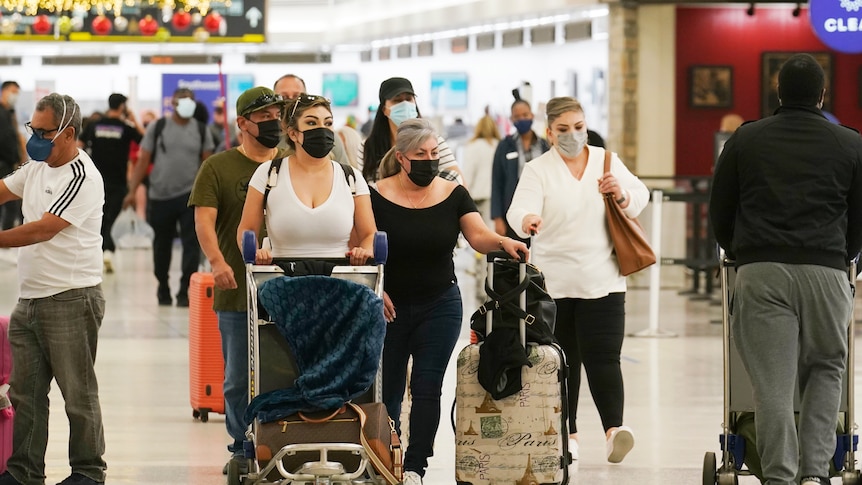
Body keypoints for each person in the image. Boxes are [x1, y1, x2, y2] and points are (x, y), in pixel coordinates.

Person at [709, 54, 862, 485]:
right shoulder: (851, 143)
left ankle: (779, 476)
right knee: (826, 371)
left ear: (777, 92)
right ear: (822, 95)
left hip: (761, 272)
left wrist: (741, 250)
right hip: (827, 273)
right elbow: (861, 216)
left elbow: (720, 210)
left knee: (772, 384)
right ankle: (815, 474)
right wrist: (841, 256)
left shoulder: (745, 139)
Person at [371, 118, 528, 485]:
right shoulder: (374, 194)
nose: (428, 160)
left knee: (428, 386)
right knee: (389, 387)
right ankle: (388, 456)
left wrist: (503, 242)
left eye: (432, 153)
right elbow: (362, 247)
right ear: (401, 157)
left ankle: (415, 466)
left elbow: (477, 235)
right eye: (419, 154)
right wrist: (376, 290)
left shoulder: (453, 193)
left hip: (439, 303)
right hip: (389, 306)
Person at [506, 96, 649, 464]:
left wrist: (620, 191)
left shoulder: (606, 160)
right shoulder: (539, 169)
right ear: (550, 133)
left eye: (579, 127)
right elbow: (517, 209)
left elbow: (639, 198)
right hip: (554, 285)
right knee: (561, 362)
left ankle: (614, 430)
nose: (573, 135)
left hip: (604, 279)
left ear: (587, 126)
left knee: (605, 358)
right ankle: (567, 434)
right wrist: (526, 221)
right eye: (564, 130)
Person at [0, 93, 107, 485]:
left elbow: (43, 229)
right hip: (29, 299)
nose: (36, 139)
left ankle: (88, 472)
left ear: (69, 134)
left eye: (44, 132)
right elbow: (4, 189)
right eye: (33, 129)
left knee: (78, 395)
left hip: (72, 298)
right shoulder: (37, 167)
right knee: (25, 393)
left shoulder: (82, 176)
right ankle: (24, 472)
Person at [188, 86, 287, 475]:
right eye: (264, 118)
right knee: (237, 379)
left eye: (277, 116)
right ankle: (242, 445)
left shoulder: (292, 165)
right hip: (236, 290)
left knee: (284, 371)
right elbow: (204, 221)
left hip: (287, 287)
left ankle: (281, 441)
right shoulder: (218, 167)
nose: (273, 124)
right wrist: (216, 261)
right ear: (242, 123)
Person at [236, 93, 376, 266]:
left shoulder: (352, 178)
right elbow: (247, 229)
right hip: (281, 282)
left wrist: (365, 251)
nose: (322, 129)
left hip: (340, 284)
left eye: (328, 123)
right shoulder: (268, 174)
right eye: (311, 122)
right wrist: (255, 253)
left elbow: (369, 234)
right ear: (293, 134)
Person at [123, 87, 215, 307]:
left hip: (190, 196)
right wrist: (132, 190)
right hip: (160, 195)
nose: (186, 104)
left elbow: (207, 164)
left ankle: (185, 291)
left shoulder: (202, 131)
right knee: (161, 245)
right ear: (172, 103)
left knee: (191, 245)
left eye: (190, 100)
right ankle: (162, 286)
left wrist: (211, 195)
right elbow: (143, 159)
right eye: (182, 100)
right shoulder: (158, 126)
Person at [78, 92, 144, 273]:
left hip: (95, 181)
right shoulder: (126, 127)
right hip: (118, 182)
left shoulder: (94, 125)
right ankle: (108, 251)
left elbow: (79, 146)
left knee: (98, 218)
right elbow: (145, 141)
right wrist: (133, 119)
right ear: (122, 106)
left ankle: (99, 253)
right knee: (111, 218)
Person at [360, 77, 463, 184]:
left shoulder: (434, 142)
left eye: (409, 99)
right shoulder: (368, 147)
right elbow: (364, 189)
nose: (404, 105)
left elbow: (459, 181)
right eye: (397, 100)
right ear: (384, 109)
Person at [490, 98, 550, 241]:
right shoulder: (505, 146)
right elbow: (497, 181)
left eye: (525, 115)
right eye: (517, 116)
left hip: (542, 211)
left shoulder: (544, 146)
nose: (522, 119)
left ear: (532, 115)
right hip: (512, 211)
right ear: (511, 119)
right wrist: (497, 218)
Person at [272, 73, 348, 163]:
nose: (290, 100)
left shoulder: (327, 136)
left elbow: (345, 173)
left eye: (296, 96)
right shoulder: (269, 136)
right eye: (283, 97)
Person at [461, 115, 500, 227]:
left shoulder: (473, 146)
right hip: (494, 198)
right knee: (493, 235)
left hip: (476, 197)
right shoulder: (499, 145)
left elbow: (468, 174)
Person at [0, 81, 23, 232]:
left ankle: (7, 237)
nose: (15, 96)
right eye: (13, 92)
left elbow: (13, 136)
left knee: (12, 202)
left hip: (9, 163)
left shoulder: (9, 113)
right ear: (4, 91)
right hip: (3, 162)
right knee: (9, 200)